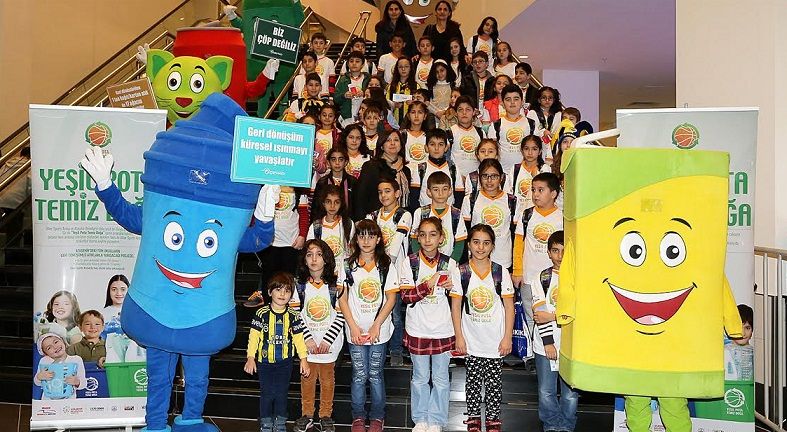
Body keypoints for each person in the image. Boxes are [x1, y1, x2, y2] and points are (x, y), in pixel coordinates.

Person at [338, 219, 406, 432]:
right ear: (356, 240)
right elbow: (342, 299)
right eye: (361, 236)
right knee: (359, 375)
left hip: (380, 331)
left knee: (375, 374)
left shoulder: (386, 265)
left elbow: (391, 299)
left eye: (371, 236)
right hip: (355, 331)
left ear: (378, 240)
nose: (366, 240)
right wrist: (352, 326)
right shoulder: (346, 265)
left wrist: (376, 325)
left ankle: (377, 416)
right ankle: (358, 416)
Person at [450, 224, 515, 432]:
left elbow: (509, 307)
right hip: (471, 339)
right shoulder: (461, 271)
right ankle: (474, 418)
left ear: (492, 246)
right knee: (473, 382)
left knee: (494, 383)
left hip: (495, 340)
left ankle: (493, 419)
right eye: (476, 242)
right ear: (469, 244)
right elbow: (456, 306)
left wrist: (507, 337)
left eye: (486, 243)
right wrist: (459, 336)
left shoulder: (500, 272)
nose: (481, 247)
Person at [401, 217, 459, 432]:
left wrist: (451, 287)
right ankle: (420, 419)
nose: (427, 239)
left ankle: (436, 420)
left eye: (433, 234)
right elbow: (406, 297)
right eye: (423, 234)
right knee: (420, 377)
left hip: (443, 329)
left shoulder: (450, 264)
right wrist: (429, 283)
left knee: (441, 378)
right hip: (417, 328)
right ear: (417, 237)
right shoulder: (410, 262)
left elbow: (457, 299)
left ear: (441, 238)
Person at [244, 272, 310, 432]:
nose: (282, 294)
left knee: (281, 393)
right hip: (265, 363)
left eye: (287, 290)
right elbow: (254, 337)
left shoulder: (294, 316)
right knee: (267, 393)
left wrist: (303, 359)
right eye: (278, 289)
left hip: (285, 363)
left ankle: (280, 421)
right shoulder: (261, 314)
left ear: (291, 295)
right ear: (269, 292)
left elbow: (299, 338)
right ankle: (266, 421)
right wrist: (251, 357)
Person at [293, 240, 345, 432]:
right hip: (307, 345)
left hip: (329, 344)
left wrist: (327, 340)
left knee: (327, 381)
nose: (314, 259)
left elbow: (341, 314)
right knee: (307, 381)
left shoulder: (335, 285)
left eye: (319, 254)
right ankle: (307, 414)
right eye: (309, 255)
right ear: (304, 260)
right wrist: (307, 339)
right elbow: (295, 316)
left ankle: (325, 415)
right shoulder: (299, 285)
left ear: (327, 258)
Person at [529, 231, 578, 432]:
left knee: (570, 393)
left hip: (571, 346)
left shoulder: (579, 279)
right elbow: (540, 314)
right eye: (556, 251)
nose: (560, 255)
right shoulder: (542, 278)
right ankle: (551, 424)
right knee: (546, 391)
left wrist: (553, 316)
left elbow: (580, 312)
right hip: (545, 344)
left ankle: (566, 425)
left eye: (564, 251)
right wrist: (548, 342)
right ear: (549, 253)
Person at [367, 178, 413, 366]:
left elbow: (396, 243)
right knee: (376, 311)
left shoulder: (404, 215)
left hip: (396, 272)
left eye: (387, 191)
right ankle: (377, 346)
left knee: (395, 315)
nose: (383, 195)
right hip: (375, 273)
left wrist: (385, 264)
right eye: (380, 192)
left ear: (397, 193)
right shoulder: (372, 215)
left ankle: (396, 351)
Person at [247, 186, 309, 307]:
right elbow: (257, 211)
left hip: (291, 242)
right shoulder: (267, 186)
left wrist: (302, 235)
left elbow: (303, 214)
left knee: (289, 278)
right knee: (268, 277)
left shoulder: (298, 186)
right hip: (269, 242)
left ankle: (288, 309)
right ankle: (268, 308)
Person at [461, 159, 517, 270]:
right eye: (485, 176)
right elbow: (465, 233)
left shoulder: (511, 200)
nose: (489, 180)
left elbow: (515, 234)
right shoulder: (470, 199)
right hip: (477, 258)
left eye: (494, 176)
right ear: (479, 178)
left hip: (503, 259)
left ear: (501, 177)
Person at [513, 172, 564, 289]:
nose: (535, 194)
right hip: (529, 277)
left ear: (553, 194)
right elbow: (518, 245)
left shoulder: (562, 217)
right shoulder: (526, 214)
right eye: (533, 190)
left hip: (556, 278)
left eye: (540, 190)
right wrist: (517, 271)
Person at [353, 130, 412, 220]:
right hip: (375, 218)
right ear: (381, 146)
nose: (392, 143)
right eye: (388, 140)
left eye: (396, 140)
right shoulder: (371, 167)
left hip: (400, 219)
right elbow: (360, 197)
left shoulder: (405, 171)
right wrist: (360, 220)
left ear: (401, 145)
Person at [410, 171, 468, 263]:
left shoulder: (456, 214)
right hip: (424, 263)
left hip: (448, 264)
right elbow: (414, 240)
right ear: (429, 192)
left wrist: (449, 264)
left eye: (444, 189)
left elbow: (460, 243)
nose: (440, 193)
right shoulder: (420, 213)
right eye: (436, 189)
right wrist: (421, 261)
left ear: (450, 191)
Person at [488, 84, 543, 173]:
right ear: (502, 103)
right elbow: (491, 152)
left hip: (526, 173)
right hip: (503, 173)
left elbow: (538, 148)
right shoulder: (495, 125)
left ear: (522, 102)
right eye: (508, 99)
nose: (512, 102)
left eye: (516, 99)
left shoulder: (531, 124)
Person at [410, 129, 465, 207]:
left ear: (446, 148)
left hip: (448, 213)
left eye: (441, 144)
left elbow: (459, 197)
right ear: (426, 148)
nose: (436, 148)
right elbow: (413, 198)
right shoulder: (420, 169)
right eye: (432, 144)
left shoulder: (453, 169)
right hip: (425, 213)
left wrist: (452, 213)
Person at [307, 185, 355, 269]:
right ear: (323, 203)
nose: (332, 206)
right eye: (328, 202)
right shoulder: (315, 227)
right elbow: (309, 252)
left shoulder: (348, 224)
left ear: (341, 204)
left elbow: (352, 250)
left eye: (336, 202)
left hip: (343, 271)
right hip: (322, 271)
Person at [505, 134, 552, 212]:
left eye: (534, 149)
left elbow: (548, 195)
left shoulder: (545, 169)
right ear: (522, 151)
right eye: (526, 149)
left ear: (540, 151)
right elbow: (508, 193)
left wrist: (536, 177)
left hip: (538, 213)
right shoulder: (515, 169)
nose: (530, 153)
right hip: (518, 214)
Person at [34, 331, 87, 399]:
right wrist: (39, 377)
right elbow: (37, 382)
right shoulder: (45, 361)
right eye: (49, 348)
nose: (55, 347)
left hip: (69, 401)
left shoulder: (76, 360)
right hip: (48, 401)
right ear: (45, 354)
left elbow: (84, 383)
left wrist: (77, 382)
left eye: (56, 342)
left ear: (62, 341)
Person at [312, 147, 356, 223]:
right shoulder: (322, 183)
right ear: (328, 162)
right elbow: (316, 209)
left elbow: (357, 207)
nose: (337, 163)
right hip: (326, 224)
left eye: (340, 159)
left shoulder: (353, 182)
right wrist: (317, 226)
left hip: (347, 224)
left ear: (346, 162)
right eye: (333, 159)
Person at [447, 96, 485, 176]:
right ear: (456, 113)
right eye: (460, 110)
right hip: (456, 179)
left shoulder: (481, 133)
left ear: (474, 112)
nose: (464, 113)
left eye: (468, 109)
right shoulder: (450, 133)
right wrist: (457, 177)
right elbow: (446, 159)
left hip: (476, 178)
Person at [335, 51, 371, 126]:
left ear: (362, 64)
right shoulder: (342, 80)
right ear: (348, 64)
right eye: (351, 61)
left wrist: (365, 93)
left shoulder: (368, 79)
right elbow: (336, 99)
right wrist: (344, 95)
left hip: (366, 116)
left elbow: (375, 95)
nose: (354, 63)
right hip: (347, 117)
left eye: (357, 61)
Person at [386, 57, 418, 128]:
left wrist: (413, 103)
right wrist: (393, 105)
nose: (403, 69)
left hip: (411, 124)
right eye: (400, 67)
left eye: (406, 66)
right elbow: (386, 104)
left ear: (410, 68)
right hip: (394, 124)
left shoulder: (416, 86)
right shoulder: (391, 86)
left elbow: (420, 105)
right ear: (397, 69)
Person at [725, 304, 754, 381]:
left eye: (747, 328)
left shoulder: (755, 354)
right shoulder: (724, 352)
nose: (743, 333)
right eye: (738, 328)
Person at [0, 146, 30, 217]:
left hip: (1, 200)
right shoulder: (28, 166)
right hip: (16, 203)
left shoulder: (7, 164)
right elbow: (30, 185)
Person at [401, 100, 430, 165]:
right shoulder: (402, 134)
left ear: (425, 116)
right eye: (413, 112)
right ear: (408, 116)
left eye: (420, 112)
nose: (416, 116)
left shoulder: (430, 135)